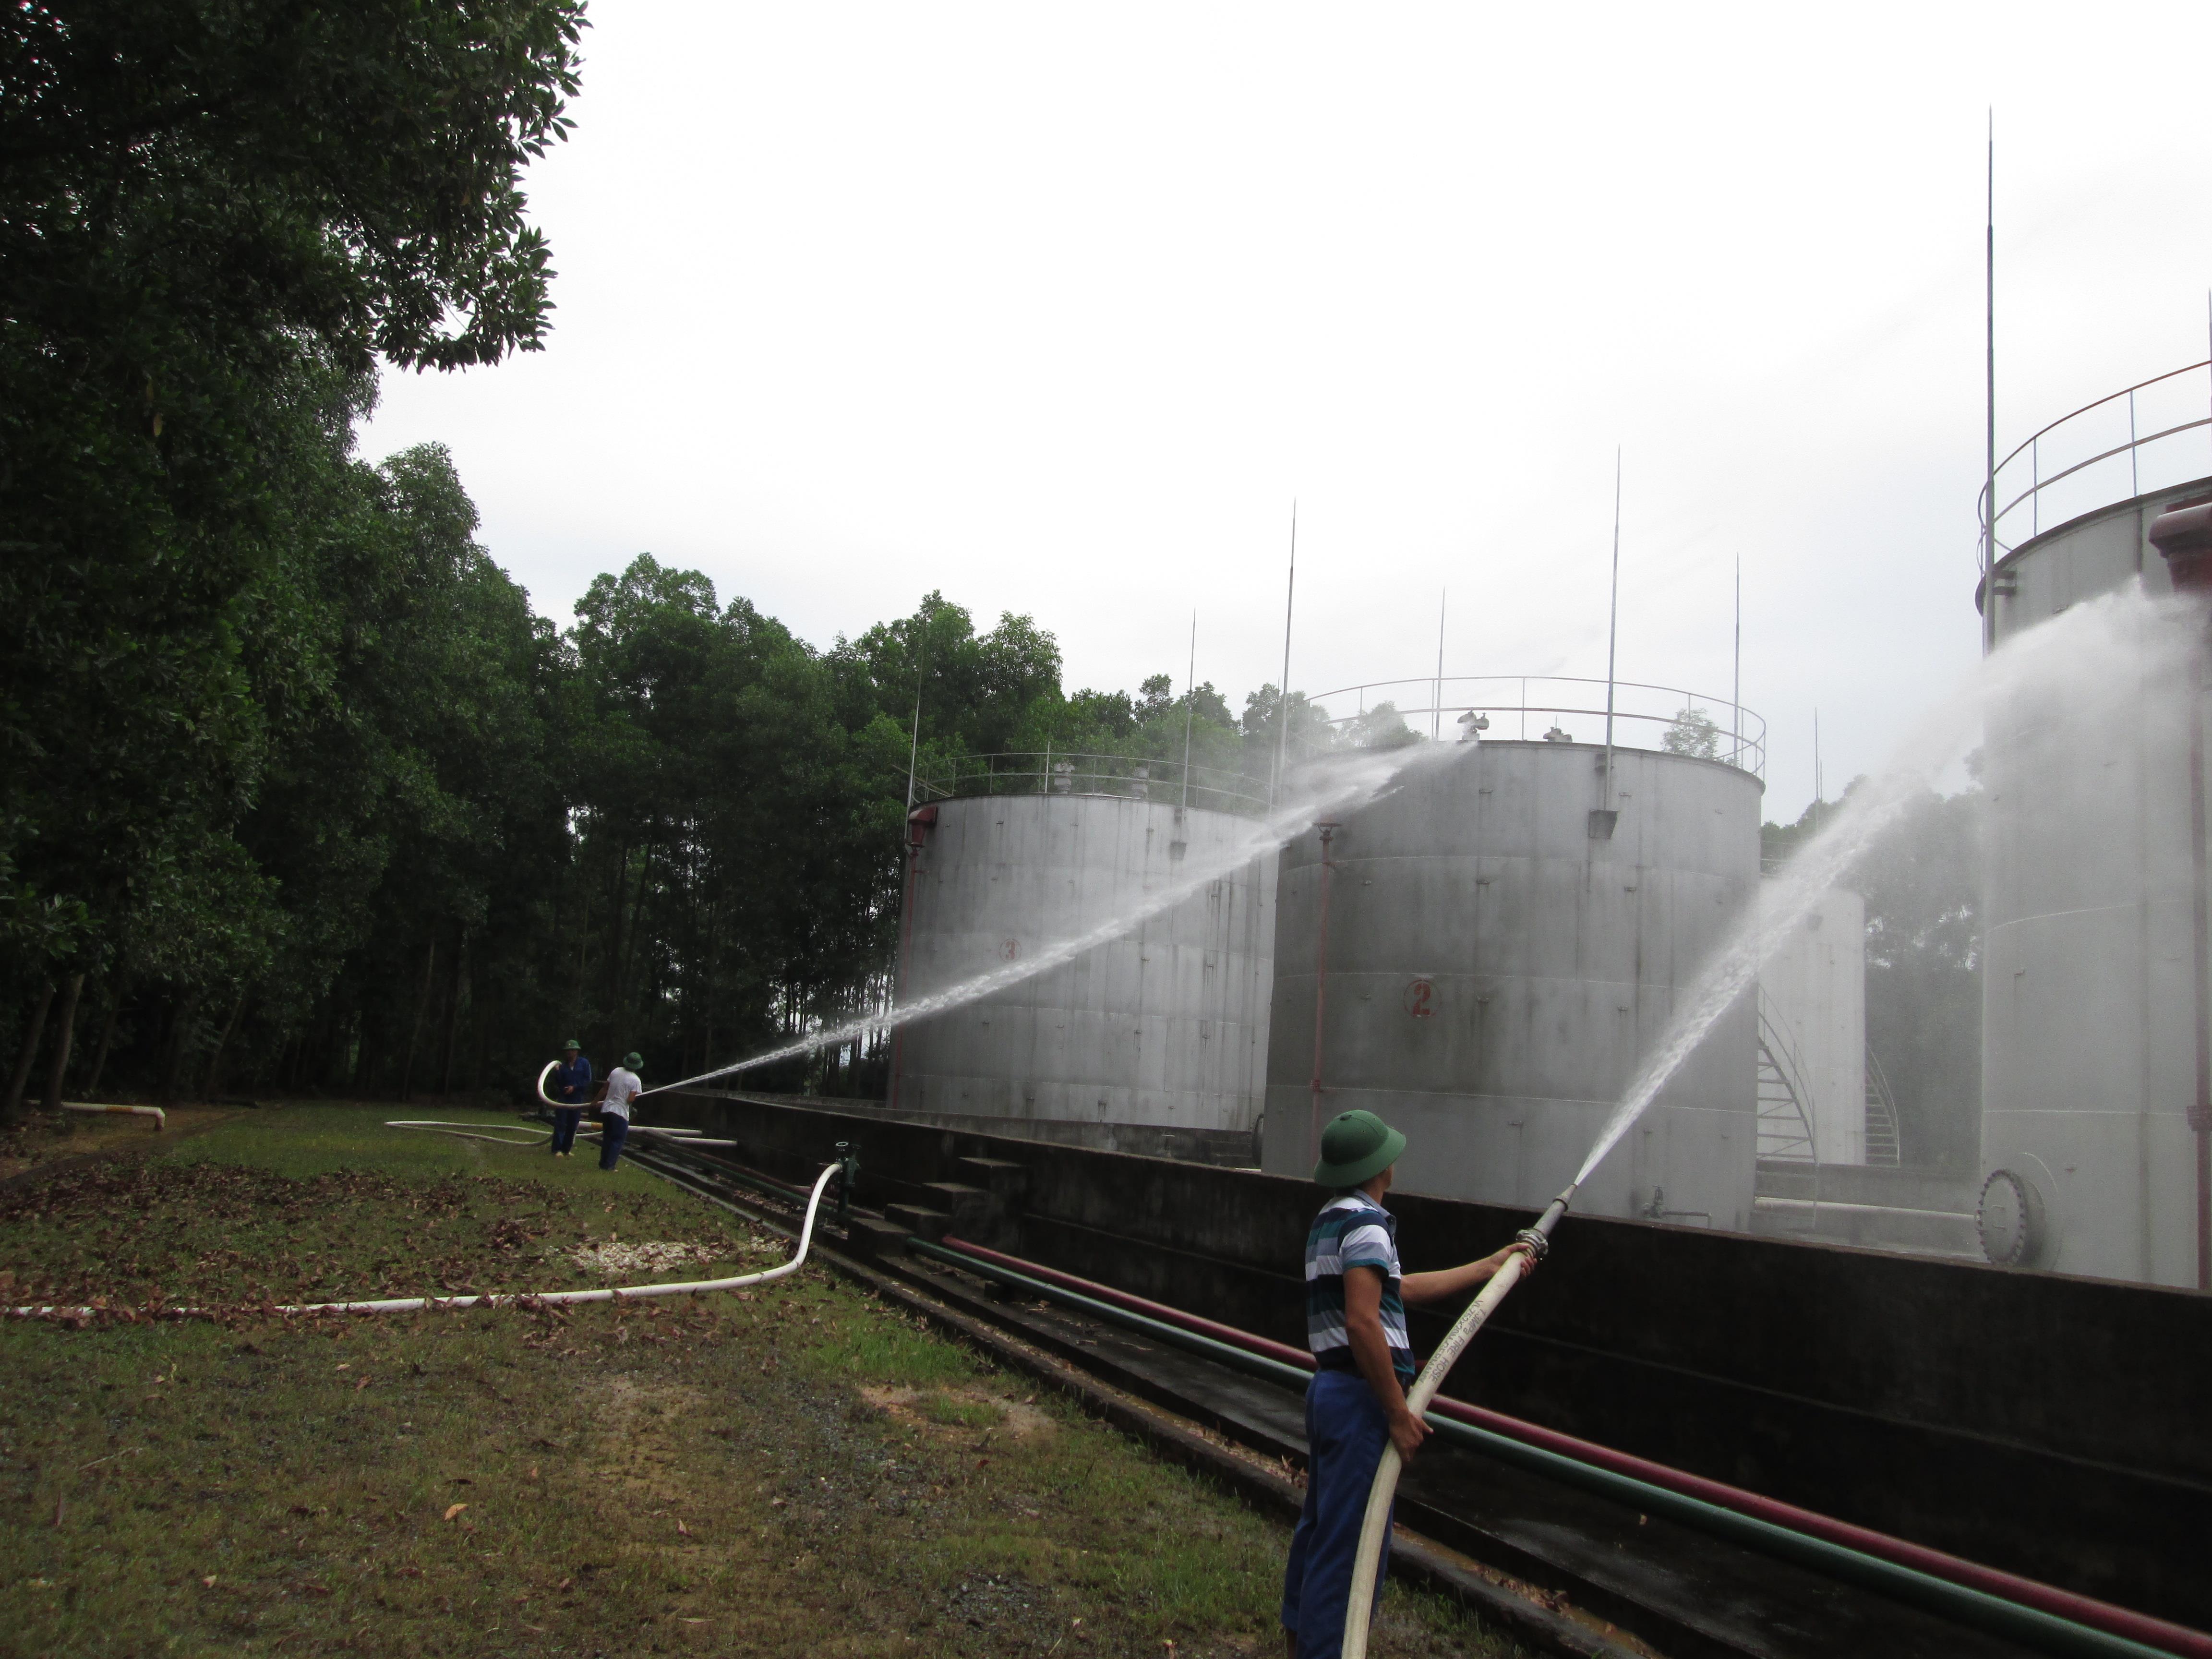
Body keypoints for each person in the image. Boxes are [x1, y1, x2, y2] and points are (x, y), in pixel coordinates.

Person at [1281, 1110, 1538, 1659]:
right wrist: (1397, 1411)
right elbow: (1363, 1320)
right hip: (1361, 1400)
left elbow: (1398, 1290)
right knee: (1350, 1549)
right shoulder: (1368, 1224)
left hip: (1331, 1392)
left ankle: (1300, 1642)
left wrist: (1486, 1268)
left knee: (1320, 1529)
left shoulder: (1332, 1219)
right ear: (1380, 1167)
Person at [598, 1051, 644, 1171]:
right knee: (617, 1140)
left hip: (607, 1109)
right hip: (620, 1113)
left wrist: (594, 1102)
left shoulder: (616, 1071)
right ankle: (610, 1166)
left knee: (607, 1138)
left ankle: (603, 1163)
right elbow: (630, 1099)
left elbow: (605, 1088)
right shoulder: (636, 1080)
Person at [548, 1040, 593, 1157]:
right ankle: (557, 1149)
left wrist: (575, 1087)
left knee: (573, 1124)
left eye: (572, 1050)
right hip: (564, 1097)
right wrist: (557, 1072)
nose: (569, 1053)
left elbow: (587, 1080)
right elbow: (559, 1083)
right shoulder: (562, 1066)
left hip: (577, 1098)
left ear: (577, 1051)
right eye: (568, 1051)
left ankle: (566, 1149)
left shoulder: (584, 1063)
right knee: (561, 1122)